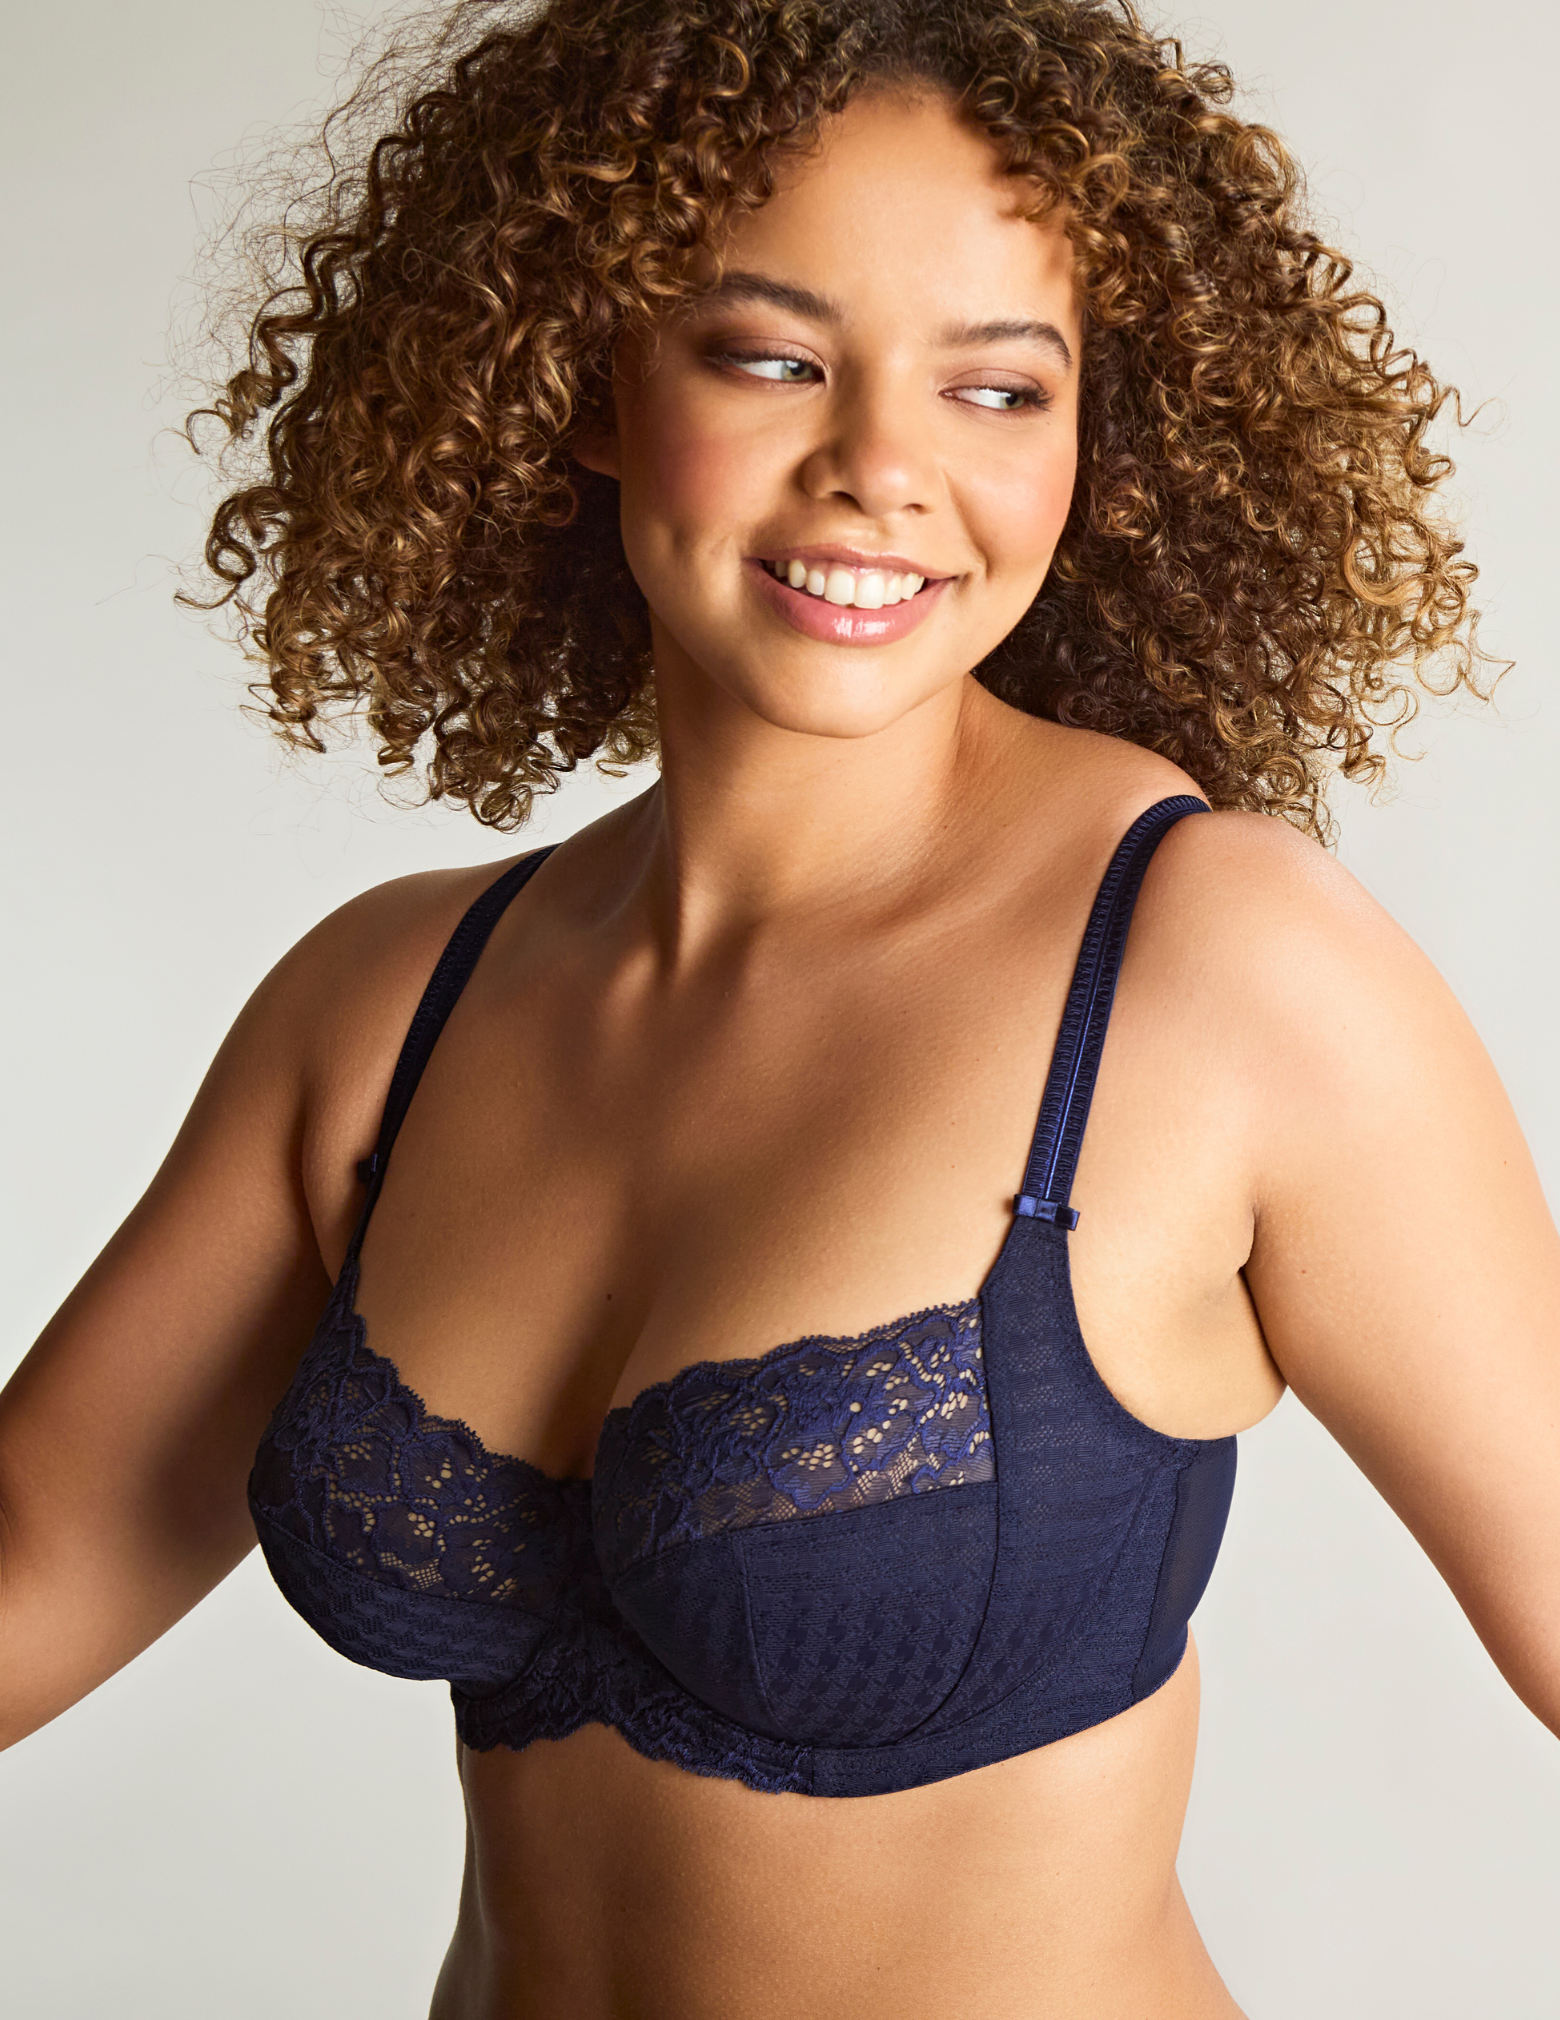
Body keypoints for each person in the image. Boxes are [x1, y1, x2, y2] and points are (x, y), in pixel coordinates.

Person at [2, 0, 1556, 2013]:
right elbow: (41, 1553)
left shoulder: (1219, 969)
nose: (882, 470)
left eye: (998, 389)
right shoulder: (389, 1003)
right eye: (770, 356)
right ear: (581, 380)